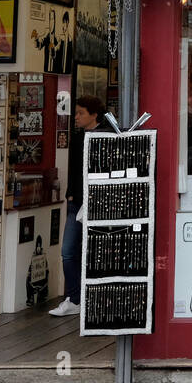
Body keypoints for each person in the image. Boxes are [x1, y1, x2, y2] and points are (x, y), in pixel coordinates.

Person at [52, 96, 113, 316]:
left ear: (94, 114)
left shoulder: (107, 135)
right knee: (68, 251)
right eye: (76, 113)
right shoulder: (78, 138)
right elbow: (76, 170)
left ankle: (96, 298)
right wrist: (70, 195)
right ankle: (74, 298)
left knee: (98, 251)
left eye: (80, 113)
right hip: (77, 201)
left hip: (99, 201)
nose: (76, 117)